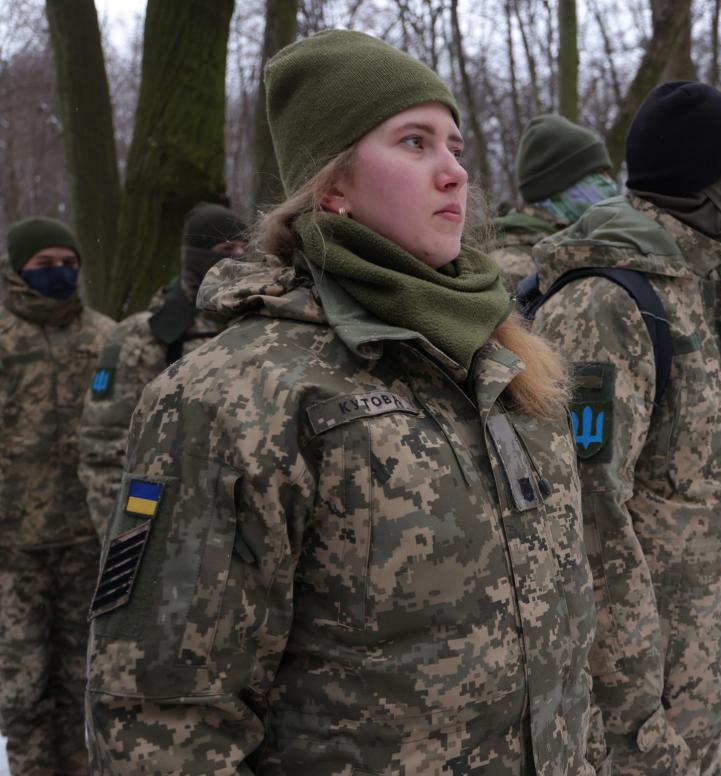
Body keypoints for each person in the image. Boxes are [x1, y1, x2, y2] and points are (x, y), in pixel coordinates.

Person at [86, 30, 604, 774]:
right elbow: (162, 724)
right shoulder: (238, 394)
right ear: (332, 185)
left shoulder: (503, 366)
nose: (455, 173)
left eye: (456, 147)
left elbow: (560, 648)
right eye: (415, 142)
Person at [529, 81, 721, 776]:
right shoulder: (606, 307)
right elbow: (584, 521)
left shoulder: (707, 287)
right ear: (706, 183)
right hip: (642, 698)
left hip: (702, 664)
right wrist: (631, 706)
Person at [0, 217, 115, 775]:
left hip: (87, 543)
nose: (59, 274)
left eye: (67, 263)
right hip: (13, 551)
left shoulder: (105, 336)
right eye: (44, 266)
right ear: (18, 269)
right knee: (21, 692)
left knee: (82, 685)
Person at [79, 203, 247, 537]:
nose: (240, 257)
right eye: (226, 249)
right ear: (195, 255)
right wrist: (127, 538)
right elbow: (106, 448)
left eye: (246, 248)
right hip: (171, 523)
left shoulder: (268, 324)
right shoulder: (143, 336)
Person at [490, 114, 617, 288]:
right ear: (559, 186)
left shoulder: (571, 246)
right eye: (599, 173)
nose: (610, 182)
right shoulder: (515, 266)